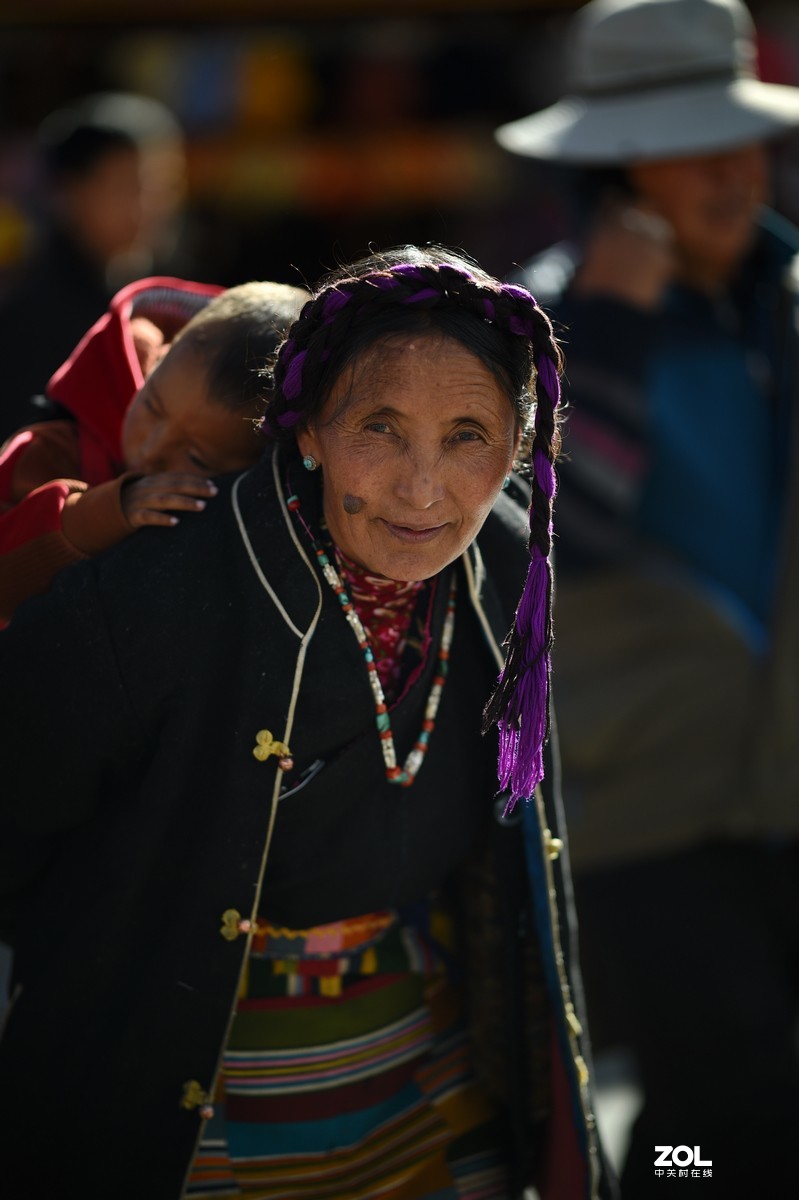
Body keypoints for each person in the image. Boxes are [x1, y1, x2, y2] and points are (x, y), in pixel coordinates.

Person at [0, 245, 616, 1200]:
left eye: (468, 435)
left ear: (520, 446)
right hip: (190, 1084)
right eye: (379, 425)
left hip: (420, 1049)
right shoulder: (155, 593)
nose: (423, 490)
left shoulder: (505, 560)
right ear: (309, 431)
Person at [494, 0, 799, 1194]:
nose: (733, 174)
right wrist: (610, 325)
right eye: (694, 150)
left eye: (742, 142)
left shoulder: (784, 295)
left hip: (784, 773)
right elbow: (570, 530)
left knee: (724, 1110)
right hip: (642, 794)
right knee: (727, 1092)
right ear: (618, 171)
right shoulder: (537, 331)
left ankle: (661, 1182)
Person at [0, 276, 308, 623]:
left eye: (195, 457)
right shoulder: (47, 451)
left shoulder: (243, 531)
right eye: (152, 407)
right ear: (160, 358)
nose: (150, 449)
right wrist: (101, 514)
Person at [0, 92, 190, 441]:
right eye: (127, 186)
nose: (150, 205)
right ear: (70, 192)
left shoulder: (164, 299)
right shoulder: (28, 319)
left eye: (160, 185)